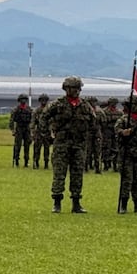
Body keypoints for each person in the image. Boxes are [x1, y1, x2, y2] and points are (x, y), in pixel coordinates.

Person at [47, 75, 96, 213]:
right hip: (61, 145)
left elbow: (94, 122)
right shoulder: (57, 104)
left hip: (78, 145)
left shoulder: (85, 106)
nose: (75, 91)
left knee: (77, 175)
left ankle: (76, 203)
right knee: (59, 174)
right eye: (72, 88)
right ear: (66, 89)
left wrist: (86, 135)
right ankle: (57, 203)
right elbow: (43, 118)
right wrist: (48, 136)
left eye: (77, 88)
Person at [9, 93, 34, 167]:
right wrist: (13, 130)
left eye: (24, 99)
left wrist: (32, 130)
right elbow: (11, 121)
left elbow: (32, 120)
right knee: (17, 146)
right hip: (19, 128)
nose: (23, 101)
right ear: (19, 100)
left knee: (27, 146)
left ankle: (26, 161)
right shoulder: (16, 109)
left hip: (27, 129)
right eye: (21, 99)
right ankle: (16, 160)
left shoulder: (29, 109)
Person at [30, 93, 52, 169]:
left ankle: (46, 163)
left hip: (47, 132)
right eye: (42, 100)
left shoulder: (50, 111)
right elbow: (32, 122)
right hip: (38, 132)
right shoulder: (36, 111)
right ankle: (36, 162)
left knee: (47, 149)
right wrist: (32, 132)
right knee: (37, 149)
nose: (44, 102)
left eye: (45, 100)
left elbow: (53, 122)